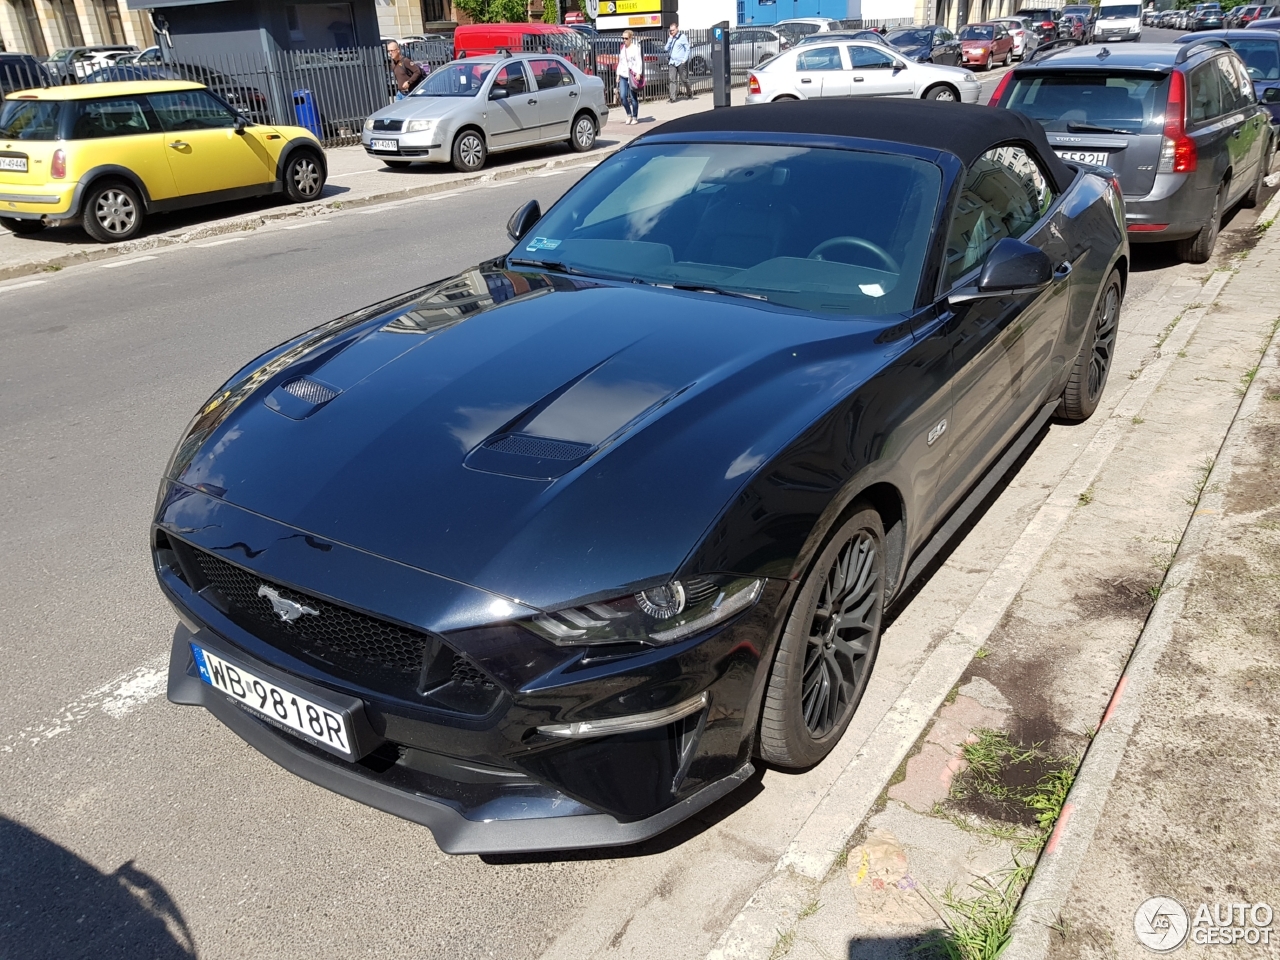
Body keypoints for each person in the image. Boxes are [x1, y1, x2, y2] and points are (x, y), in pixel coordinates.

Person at [616, 30, 644, 124]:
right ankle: (629, 114)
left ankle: (635, 116)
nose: (624, 40)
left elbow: (639, 61)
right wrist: (618, 74)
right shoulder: (622, 49)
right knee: (623, 96)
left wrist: (638, 73)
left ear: (631, 38)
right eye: (623, 38)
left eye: (626, 38)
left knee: (633, 98)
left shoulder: (635, 48)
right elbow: (621, 62)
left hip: (632, 75)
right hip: (623, 74)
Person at [665, 21, 692, 102]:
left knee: (684, 79)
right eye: (670, 30)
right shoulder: (671, 38)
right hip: (672, 62)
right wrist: (670, 39)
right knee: (672, 79)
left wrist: (684, 59)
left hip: (680, 62)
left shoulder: (682, 37)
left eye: (673, 30)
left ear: (677, 29)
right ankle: (672, 98)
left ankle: (689, 93)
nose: (671, 32)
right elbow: (666, 48)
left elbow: (687, 49)